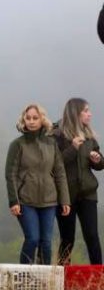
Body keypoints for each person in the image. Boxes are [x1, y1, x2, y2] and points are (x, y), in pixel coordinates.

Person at [5, 104, 71, 265]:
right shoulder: (17, 144)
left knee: (46, 243)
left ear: (42, 119)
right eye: (28, 118)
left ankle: (44, 282)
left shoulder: (51, 143)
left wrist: (65, 200)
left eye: (35, 118)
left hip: (49, 200)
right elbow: (10, 174)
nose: (32, 121)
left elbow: (60, 173)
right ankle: (23, 279)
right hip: (25, 201)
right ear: (23, 120)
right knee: (33, 239)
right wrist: (14, 201)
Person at [55, 98, 104, 265]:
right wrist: (73, 148)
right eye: (86, 110)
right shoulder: (57, 134)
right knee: (67, 238)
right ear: (76, 113)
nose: (90, 114)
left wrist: (97, 159)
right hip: (66, 194)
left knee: (92, 236)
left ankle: (98, 279)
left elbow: (100, 164)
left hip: (88, 193)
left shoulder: (89, 136)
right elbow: (55, 164)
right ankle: (60, 278)